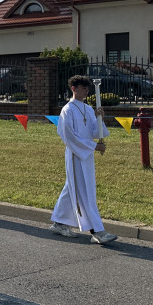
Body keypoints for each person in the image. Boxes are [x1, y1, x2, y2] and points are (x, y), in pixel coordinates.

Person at [49, 75, 117, 244]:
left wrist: (99, 118)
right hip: (75, 154)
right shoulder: (68, 110)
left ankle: (59, 222)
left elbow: (95, 131)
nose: (86, 91)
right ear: (73, 89)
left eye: (87, 89)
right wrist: (93, 147)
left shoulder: (87, 109)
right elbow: (69, 136)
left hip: (86, 154)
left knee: (73, 187)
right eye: (82, 88)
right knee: (83, 191)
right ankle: (97, 231)